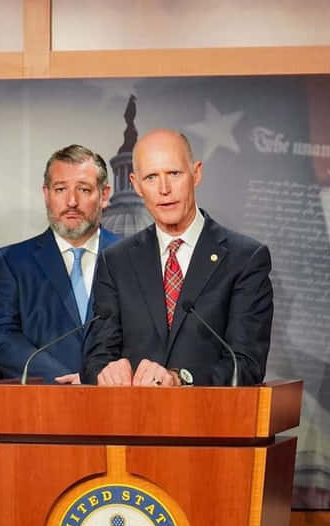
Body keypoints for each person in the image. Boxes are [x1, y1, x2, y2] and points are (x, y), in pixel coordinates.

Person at [83, 129, 273, 386]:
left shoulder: (245, 259)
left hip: (211, 420)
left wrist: (180, 379)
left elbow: (247, 363)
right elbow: (96, 357)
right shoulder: (116, 262)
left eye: (173, 173)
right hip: (131, 421)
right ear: (136, 185)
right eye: (151, 177)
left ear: (196, 173)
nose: (164, 189)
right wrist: (106, 371)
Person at [0, 144, 120, 383]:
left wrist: (96, 377)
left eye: (84, 189)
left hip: (120, 404)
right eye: (60, 189)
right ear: (46, 194)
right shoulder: (13, 262)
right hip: (41, 405)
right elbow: (0, 336)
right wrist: (61, 379)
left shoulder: (130, 258)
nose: (72, 201)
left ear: (104, 195)